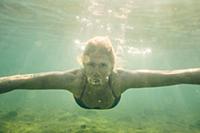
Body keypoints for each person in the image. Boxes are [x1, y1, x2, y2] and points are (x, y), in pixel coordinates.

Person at [0, 36, 200, 109]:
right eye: (90, 64)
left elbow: (175, 76)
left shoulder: (122, 80)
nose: (95, 71)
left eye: (102, 65)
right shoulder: (72, 80)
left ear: (112, 65)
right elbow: (22, 81)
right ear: (82, 63)